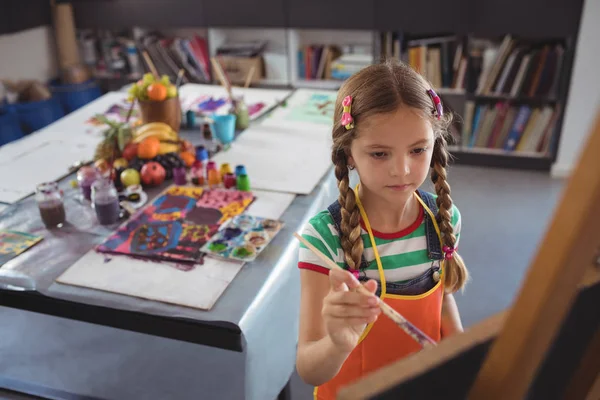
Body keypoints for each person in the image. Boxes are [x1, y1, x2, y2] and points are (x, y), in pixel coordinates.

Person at [296, 60, 469, 399]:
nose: (402, 170)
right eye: (379, 154)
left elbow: (441, 300)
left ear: (435, 143)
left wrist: (462, 351)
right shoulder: (325, 238)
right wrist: (336, 342)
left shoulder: (444, 218)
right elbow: (308, 369)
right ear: (348, 155)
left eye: (418, 150)